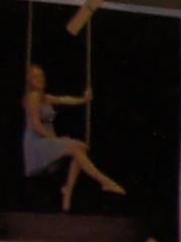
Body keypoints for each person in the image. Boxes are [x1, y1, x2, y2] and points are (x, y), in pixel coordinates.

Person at [19, 52, 115, 207]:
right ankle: (104, 181)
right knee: (77, 147)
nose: (40, 79)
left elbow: (64, 99)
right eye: (35, 76)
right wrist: (56, 140)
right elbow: (36, 124)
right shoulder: (33, 97)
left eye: (41, 75)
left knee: (80, 148)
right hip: (36, 142)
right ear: (29, 80)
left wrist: (83, 99)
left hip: (45, 139)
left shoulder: (44, 97)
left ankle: (67, 192)